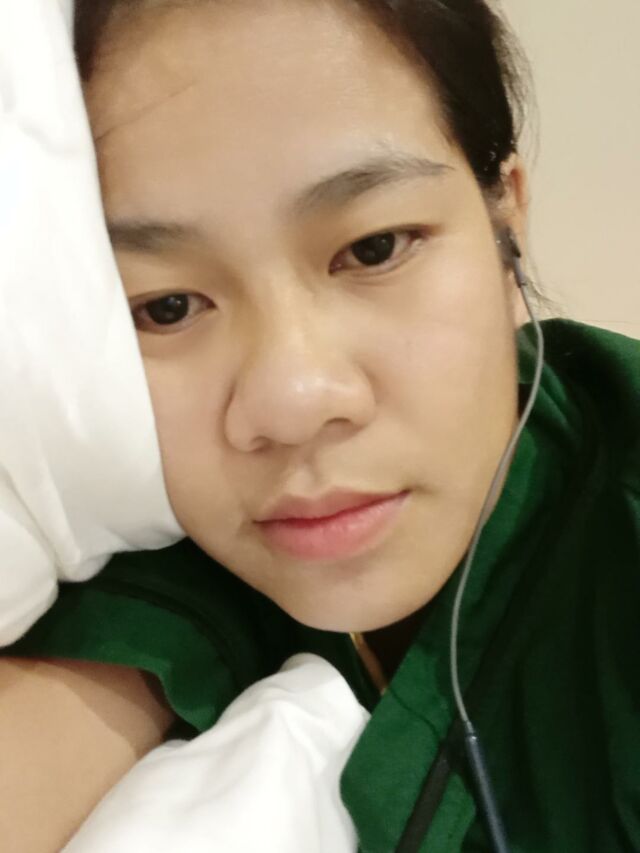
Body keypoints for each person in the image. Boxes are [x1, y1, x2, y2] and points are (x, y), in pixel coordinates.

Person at [2, 0, 639, 851]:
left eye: (375, 248)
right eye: (168, 305)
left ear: (506, 225)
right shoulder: (121, 546)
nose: (293, 400)